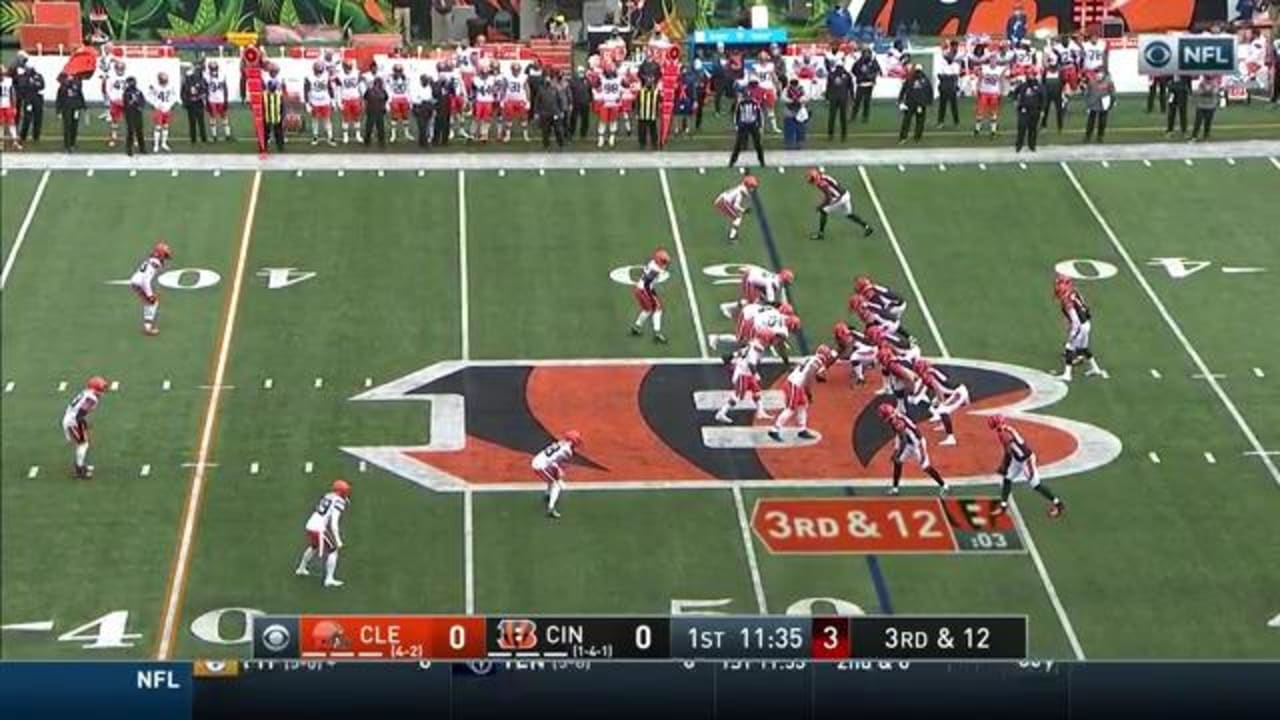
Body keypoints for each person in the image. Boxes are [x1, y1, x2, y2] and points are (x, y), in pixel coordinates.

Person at [988, 416, 1065, 518]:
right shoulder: (1002, 434)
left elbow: (1011, 439)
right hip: (1017, 459)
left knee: (1035, 485)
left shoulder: (1011, 434)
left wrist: (1004, 465)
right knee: (1007, 478)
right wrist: (1004, 465)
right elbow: (1008, 451)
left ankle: (1058, 503)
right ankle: (1003, 506)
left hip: (1026, 460)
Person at [768, 347, 838, 442]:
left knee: (802, 405)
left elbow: (799, 368)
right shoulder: (816, 362)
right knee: (791, 408)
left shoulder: (810, 358)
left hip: (796, 383)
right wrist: (808, 391)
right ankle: (774, 430)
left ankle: (802, 430)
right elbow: (809, 376)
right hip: (794, 385)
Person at [879, 403, 949, 496]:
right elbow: (899, 436)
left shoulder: (897, 421)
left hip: (918, 444)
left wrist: (897, 453)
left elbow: (903, 439)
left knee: (926, 467)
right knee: (898, 462)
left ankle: (944, 485)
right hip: (909, 444)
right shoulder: (895, 417)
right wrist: (896, 451)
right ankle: (895, 488)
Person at [296, 479, 351, 587]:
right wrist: (338, 540)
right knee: (333, 550)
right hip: (318, 529)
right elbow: (334, 523)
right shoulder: (339, 501)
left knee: (314, 546)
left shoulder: (328, 495)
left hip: (310, 525)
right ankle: (329, 579)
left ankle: (301, 568)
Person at [1054, 275, 1106, 381]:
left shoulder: (1067, 299)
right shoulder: (1074, 292)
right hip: (1086, 323)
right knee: (1083, 348)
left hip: (1080, 326)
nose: (1058, 286)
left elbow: (1075, 321)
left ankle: (1067, 375)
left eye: (1060, 284)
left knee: (1069, 347)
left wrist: (1073, 334)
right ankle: (1095, 368)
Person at [807, 168, 874, 240]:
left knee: (824, 211)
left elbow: (828, 198)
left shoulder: (821, 183)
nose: (810, 181)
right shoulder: (824, 177)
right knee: (849, 214)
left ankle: (821, 234)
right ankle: (867, 227)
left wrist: (821, 206)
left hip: (839, 199)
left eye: (811, 178)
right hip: (846, 194)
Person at [64, 376, 110, 479]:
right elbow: (79, 415)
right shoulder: (91, 398)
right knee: (83, 444)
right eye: (101, 388)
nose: (102, 391)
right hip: (73, 421)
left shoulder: (87, 393)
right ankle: (79, 469)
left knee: (82, 443)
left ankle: (80, 465)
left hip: (71, 418)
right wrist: (84, 423)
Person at [532, 431, 583, 518]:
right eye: (576, 441)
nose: (577, 443)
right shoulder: (567, 452)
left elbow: (553, 461)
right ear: (572, 441)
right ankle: (551, 509)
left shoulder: (561, 443)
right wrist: (559, 471)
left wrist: (557, 472)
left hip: (540, 460)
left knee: (553, 479)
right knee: (556, 485)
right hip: (540, 466)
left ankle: (548, 494)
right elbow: (554, 464)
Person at [130, 241, 171, 335]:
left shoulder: (152, 260)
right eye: (165, 255)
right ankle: (147, 328)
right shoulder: (155, 263)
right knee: (153, 302)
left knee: (149, 302)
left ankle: (147, 326)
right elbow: (146, 279)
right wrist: (150, 294)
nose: (165, 258)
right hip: (139, 283)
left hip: (136, 282)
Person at [729, 82, 765, 167]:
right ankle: (732, 162)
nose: (748, 98)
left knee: (758, 144)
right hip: (743, 125)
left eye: (749, 96)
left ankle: (762, 161)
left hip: (753, 124)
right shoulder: (741, 104)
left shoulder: (755, 103)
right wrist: (737, 125)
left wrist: (760, 125)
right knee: (738, 144)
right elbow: (737, 115)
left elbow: (759, 114)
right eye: (746, 96)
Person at [715, 174, 758, 243]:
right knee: (737, 217)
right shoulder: (741, 192)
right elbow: (736, 205)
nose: (753, 189)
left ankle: (733, 235)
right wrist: (744, 210)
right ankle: (732, 237)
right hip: (723, 202)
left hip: (723, 200)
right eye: (752, 186)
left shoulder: (741, 188)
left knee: (738, 217)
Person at [897, 64, 932, 144]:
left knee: (915, 121)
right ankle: (911, 137)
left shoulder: (922, 80)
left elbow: (929, 91)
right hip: (912, 103)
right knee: (910, 121)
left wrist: (928, 102)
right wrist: (900, 100)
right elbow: (903, 90)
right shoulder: (921, 79)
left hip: (916, 103)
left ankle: (913, 137)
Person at [1013, 73, 1045, 152]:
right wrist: (1015, 101)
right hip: (1024, 110)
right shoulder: (1023, 85)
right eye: (1029, 75)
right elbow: (1015, 92)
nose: (1031, 76)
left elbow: (1043, 98)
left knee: (1033, 129)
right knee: (1021, 128)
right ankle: (1019, 145)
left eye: (1032, 75)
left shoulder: (1039, 86)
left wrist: (1042, 110)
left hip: (1035, 110)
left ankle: (1032, 145)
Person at [534, 69, 564, 149]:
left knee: (558, 130)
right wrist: (536, 113)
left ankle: (561, 144)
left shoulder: (555, 88)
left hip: (555, 113)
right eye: (546, 78)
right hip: (544, 114)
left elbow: (559, 100)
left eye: (549, 78)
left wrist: (561, 111)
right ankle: (546, 145)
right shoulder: (540, 89)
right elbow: (537, 102)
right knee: (545, 131)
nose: (547, 79)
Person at [1083, 69, 1115, 143]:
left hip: (1104, 104)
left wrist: (1112, 101)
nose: (1098, 76)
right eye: (1097, 74)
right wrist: (1087, 104)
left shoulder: (1109, 82)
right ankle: (1087, 136)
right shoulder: (1091, 82)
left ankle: (1100, 136)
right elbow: (1087, 93)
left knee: (1102, 122)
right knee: (1091, 122)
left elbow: (1112, 92)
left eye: (1100, 74)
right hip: (1093, 103)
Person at [56, 73, 85, 151]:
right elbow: (59, 98)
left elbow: (80, 94)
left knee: (74, 126)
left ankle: (73, 143)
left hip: (75, 108)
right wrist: (58, 110)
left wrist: (83, 105)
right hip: (66, 108)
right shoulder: (62, 86)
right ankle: (67, 144)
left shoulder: (77, 84)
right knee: (67, 126)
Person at [180, 64, 208, 144]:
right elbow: (183, 93)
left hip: (199, 103)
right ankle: (193, 139)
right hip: (191, 104)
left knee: (201, 122)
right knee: (192, 122)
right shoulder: (186, 82)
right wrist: (186, 101)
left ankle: (203, 138)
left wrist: (200, 97)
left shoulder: (202, 80)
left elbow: (205, 91)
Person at [826, 58, 853, 140]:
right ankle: (843, 135)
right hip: (843, 98)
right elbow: (851, 87)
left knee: (832, 117)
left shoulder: (831, 74)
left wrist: (827, 98)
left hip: (833, 98)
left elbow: (828, 87)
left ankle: (830, 135)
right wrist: (852, 97)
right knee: (843, 117)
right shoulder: (847, 75)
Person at [851, 48, 881, 123]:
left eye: (868, 54)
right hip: (861, 84)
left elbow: (877, 70)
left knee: (866, 102)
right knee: (857, 101)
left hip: (869, 84)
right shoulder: (859, 62)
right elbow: (853, 70)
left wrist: (872, 76)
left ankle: (865, 117)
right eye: (865, 54)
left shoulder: (873, 61)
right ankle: (853, 116)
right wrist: (859, 76)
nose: (867, 55)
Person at [16, 66, 44, 145]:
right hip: (28, 100)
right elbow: (22, 87)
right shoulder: (23, 77)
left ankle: (36, 137)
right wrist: (32, 84)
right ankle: (23, 136)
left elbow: (42, 85)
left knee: (38, 119)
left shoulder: (38, 76)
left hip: (37, 100)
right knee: (27, 119)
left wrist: (33, 84)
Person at [935, 44, 961, 128]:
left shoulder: (955, 65)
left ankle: (956, 121)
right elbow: (939, 75)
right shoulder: (943, 65)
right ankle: (940, 122)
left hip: (951, 87)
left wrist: (947, 77)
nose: (949, 59)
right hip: (944, 87)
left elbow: (955, 76)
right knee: (942, 106)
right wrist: (949, 77)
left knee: (954, 106)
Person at [206, 62, 232, 140]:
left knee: (223, 116)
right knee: (213, 117)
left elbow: (225, 88)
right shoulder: (207, 76)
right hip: (212, 99)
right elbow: (206, 89)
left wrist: (226, 99)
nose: (213, 69)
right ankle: (215, 135)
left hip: (220, 99)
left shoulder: (221, 75)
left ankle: (227, 134)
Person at [1041, 54, 1066, 132]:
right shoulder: (1046, 71)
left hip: (1057, 93)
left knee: (1059, 110)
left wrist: (1062, 91)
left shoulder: (1060, 71)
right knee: (1046, 109)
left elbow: (1063, 82)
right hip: (1047, 94)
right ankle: (1043, 125)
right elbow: (1043, 82)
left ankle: (1060, 127)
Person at [263, 64, 286, 152]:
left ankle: (280, 145)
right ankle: (264, 145)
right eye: (272, 71)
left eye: (275, 71)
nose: (274, 73)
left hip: (277, 102)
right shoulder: (265, 78)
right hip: (268, 102)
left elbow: (283, 89)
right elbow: (263, 89)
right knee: (266, 128)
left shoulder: (280, 78)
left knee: (278, 128)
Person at [122, 76, 146, 156]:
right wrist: (132, 102)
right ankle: (129, 149)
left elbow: (143, 100)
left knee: (139, 130)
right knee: (131, 130)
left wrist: (140, 106)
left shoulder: (138, 91)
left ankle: (142, 148)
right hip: (130, 113)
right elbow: (126, 103)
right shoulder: (126, 92)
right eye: (130, 82)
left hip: (138, 112)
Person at [781, 77, 808, 150]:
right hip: (789, 109)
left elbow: (806, 97)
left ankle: (800, 143)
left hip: (800, 110)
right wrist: (791, 100)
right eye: (793, 83)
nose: (794, 85)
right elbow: (783, 98)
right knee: (789, 127)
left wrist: (800, 100)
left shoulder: (801, 89)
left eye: (795, 83)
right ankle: (789, 143)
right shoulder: (786, 89)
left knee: (801, 128)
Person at [1190, 76, 1219, 142]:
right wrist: (1207, 91)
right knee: (1198, 122)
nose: (1208, 80)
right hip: (1201, 106)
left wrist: (1206, 91)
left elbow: (1214, 92)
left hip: (1211, 106)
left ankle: (1206, 136)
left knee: (1208, 123)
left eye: (1209, 79)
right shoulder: (1201, 84)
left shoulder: (1214, 84)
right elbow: (1199, 92)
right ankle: (1194, 136)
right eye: (1207, 78)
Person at [363, 76, 388, 148]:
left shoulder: (372, 90)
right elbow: (365, 98)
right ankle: (376, 141)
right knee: (374, 127)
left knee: (378, 127)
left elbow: (386, 98)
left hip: (375, 111)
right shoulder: (380, 91)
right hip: (374, 111)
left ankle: (369, 141)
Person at [567, 67, 591, 141]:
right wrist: (570, 102)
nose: (581, 73)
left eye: (582, 71)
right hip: (575, 103)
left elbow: (590, 91)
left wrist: (590, 100)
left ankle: (583, 134)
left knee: (585, 119)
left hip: (585, 103)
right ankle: (571, 133)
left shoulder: (587, 80)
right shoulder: (572, 81)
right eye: (580, 72)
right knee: (573, 119)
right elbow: (569, 92)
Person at [636, 78, 660, 149]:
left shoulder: (656, 92)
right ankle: (642, 144)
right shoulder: (641, 91)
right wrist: (637, 113)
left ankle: (654, 144)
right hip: (642, 114)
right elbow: (637, 103)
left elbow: (659, 103)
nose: (649, 84)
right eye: (648, 82)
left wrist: (657, 112)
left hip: (652, 114)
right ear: (645, 83)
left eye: (650, 82)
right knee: (642, 130)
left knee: (653, 130)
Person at [412, 73, 434, 149]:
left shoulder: (429, 88)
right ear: (421, 80)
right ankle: (423, 142)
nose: (426, 82)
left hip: (427, 107)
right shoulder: (416, 88)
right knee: (421, 126)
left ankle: (422, 141)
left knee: (427, 125)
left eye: (427, 80)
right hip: (419, 107)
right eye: (425, 80)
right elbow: (415, 99)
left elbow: (430, 97)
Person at [0, 66, 17, 149]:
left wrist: (14, 106)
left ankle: (15, 141)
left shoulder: (8, 81)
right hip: (1, 106)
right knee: (1, 124)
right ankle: (1, 143)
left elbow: (12, 93)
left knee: (11, 123)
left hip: (7, 104)